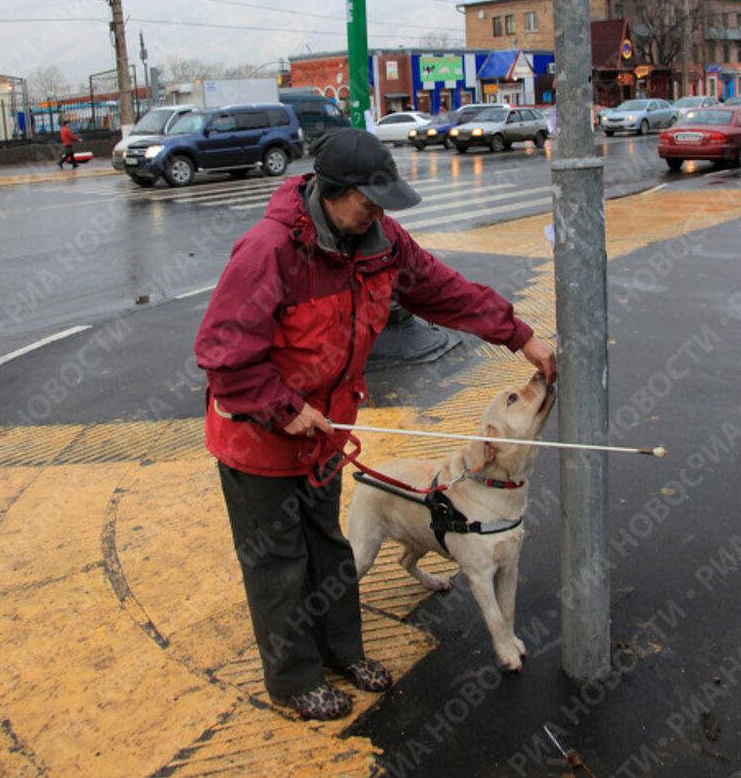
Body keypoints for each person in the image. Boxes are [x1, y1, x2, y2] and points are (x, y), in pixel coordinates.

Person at [194, 129, 556, 722]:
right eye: (369, 203)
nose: (379, 215)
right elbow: (220, 353)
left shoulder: (381, 242)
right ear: (332, 195)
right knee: (279, 562)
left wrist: (519, 335)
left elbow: (444, 291)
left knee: (330, 550)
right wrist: (286, 409)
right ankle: (294, 679)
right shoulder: (270, 251)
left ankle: (342, 653)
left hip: (324, 437)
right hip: (258, 440)